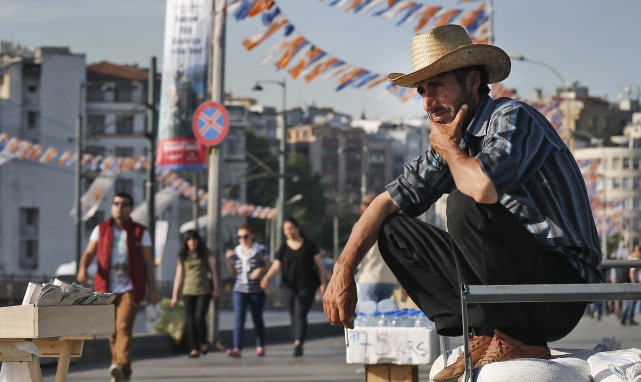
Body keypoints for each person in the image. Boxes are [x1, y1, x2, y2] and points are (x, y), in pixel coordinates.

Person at [322, 25, 602, 382]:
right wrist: (343, 272)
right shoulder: (451, 141)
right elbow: (383, 202)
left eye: (437, 85)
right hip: (515, 287)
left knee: (464, 202)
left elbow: (484, 187)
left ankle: (518, 338)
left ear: (472, 80)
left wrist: (450, 150)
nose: (428, 102)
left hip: (559, 291)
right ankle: (483, 332)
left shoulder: (513, 118)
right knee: (392, 229)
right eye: (422, 91)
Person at [78, 192, 159, 382]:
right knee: (111, 332)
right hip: (105, 288)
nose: (119, 207)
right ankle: (124, 371)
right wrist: (83, 268)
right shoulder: (102, 229)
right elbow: (89, 252)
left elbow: (148, 262)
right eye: (116, 203)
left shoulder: (140, 231)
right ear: (112, 206)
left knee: (123, 327)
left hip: (130, 287)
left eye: (124, 204)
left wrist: (152, 290)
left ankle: (118, 367)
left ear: (131, 208)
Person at [260, 217, 326, 357]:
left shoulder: (309, 245)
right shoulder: (283, 247)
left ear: (298, 228)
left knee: (300, 313)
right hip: (288, 286)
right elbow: (276, 266)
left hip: (307, 285)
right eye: (285, 229)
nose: (288, 231)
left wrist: (323, 283)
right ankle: (298, 339)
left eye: (291, 228)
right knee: (293, 314)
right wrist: (266, 278)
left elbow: (320, 266)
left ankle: (298, 343)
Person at [170, 230, 219, 358]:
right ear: (186, 241)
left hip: (204, 290)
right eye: (190, 240)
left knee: (199, 317)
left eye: (195, 239)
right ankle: (194, 348)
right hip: (188, 290)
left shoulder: (205, 253)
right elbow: (179, 276)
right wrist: (175, 295)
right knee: (190, 320)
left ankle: (203, 341)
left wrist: (215, 288)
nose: (192, 242)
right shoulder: (183, 256)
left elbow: (213, 271)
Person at [225, 224, 270, 358]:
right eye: (239, 237)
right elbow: (232, 272)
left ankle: (260, 346)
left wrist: (260, 270)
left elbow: (269, 266)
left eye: (246, 236)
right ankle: (237, 348)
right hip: (240, 289)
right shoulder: (236, 252)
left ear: (252, 236)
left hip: (256, 290)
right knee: (239, 318)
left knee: (257, 318)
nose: (243, 239)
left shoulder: (260, 249)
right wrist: (228, 259)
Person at [355, 195, 398, 303]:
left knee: (368, 317)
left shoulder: (361, 225)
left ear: (362, 209)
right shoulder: (391, 226)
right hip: (389, 280)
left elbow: (356, 251)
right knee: (383, 318)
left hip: (368, 278)